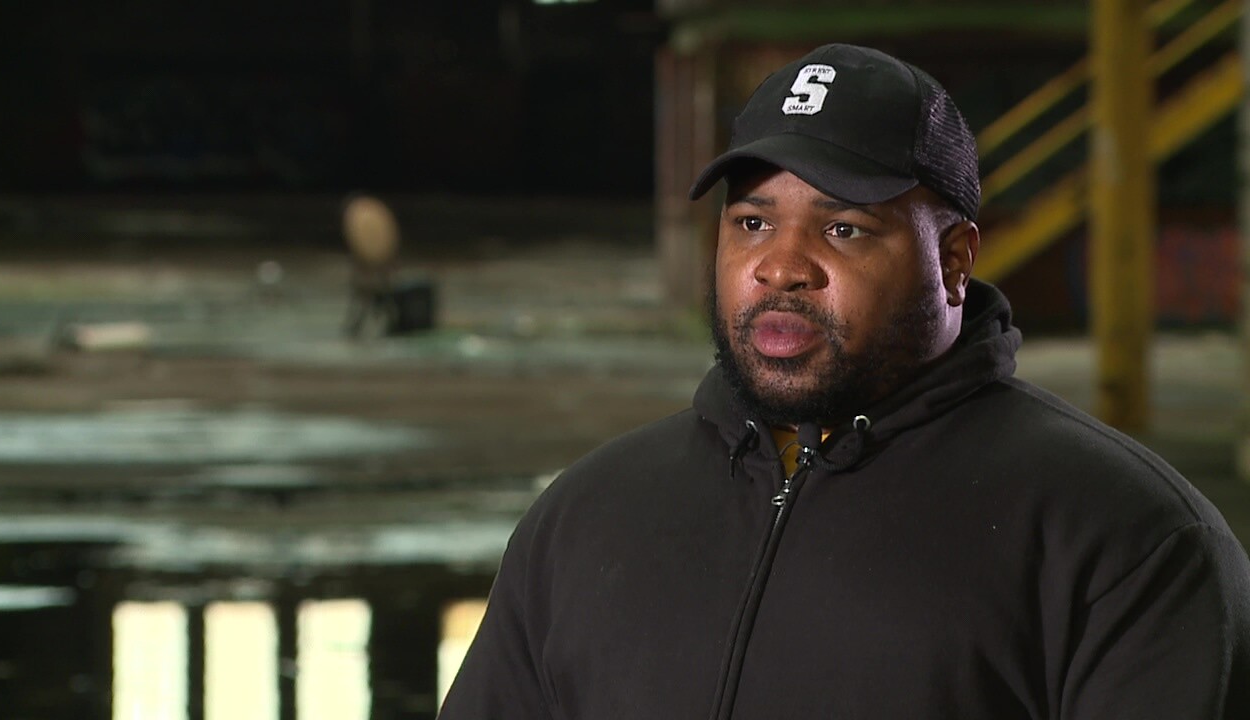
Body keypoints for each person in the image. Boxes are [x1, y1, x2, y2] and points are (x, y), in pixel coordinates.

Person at [438, 44, 1250, 719]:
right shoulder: (584, 519)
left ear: (955, 260)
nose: (780, 266)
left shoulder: (1125, 540)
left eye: (843, 227)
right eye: (752, 223)